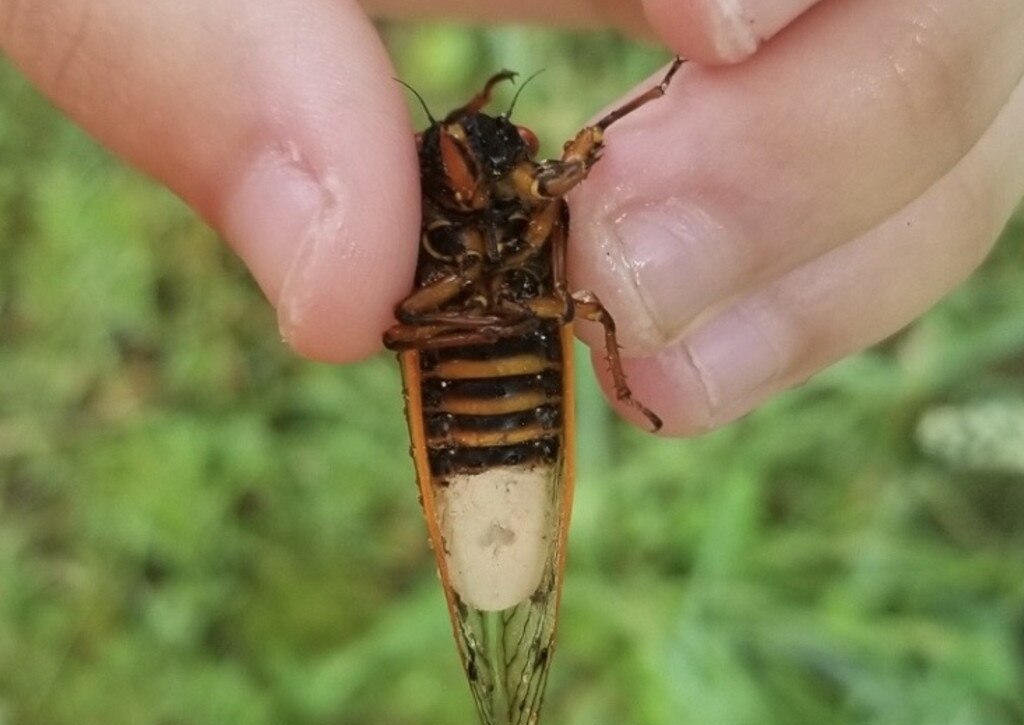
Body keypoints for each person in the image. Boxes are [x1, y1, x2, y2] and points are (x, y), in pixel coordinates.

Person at [3, 0, 1021, 435]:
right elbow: (399, 317)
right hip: (476, 356)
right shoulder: (474, 213)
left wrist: (657, 96)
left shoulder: (540, 202)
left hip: (490, 340)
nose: (502, 163)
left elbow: (578, 183)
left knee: (599, 298)